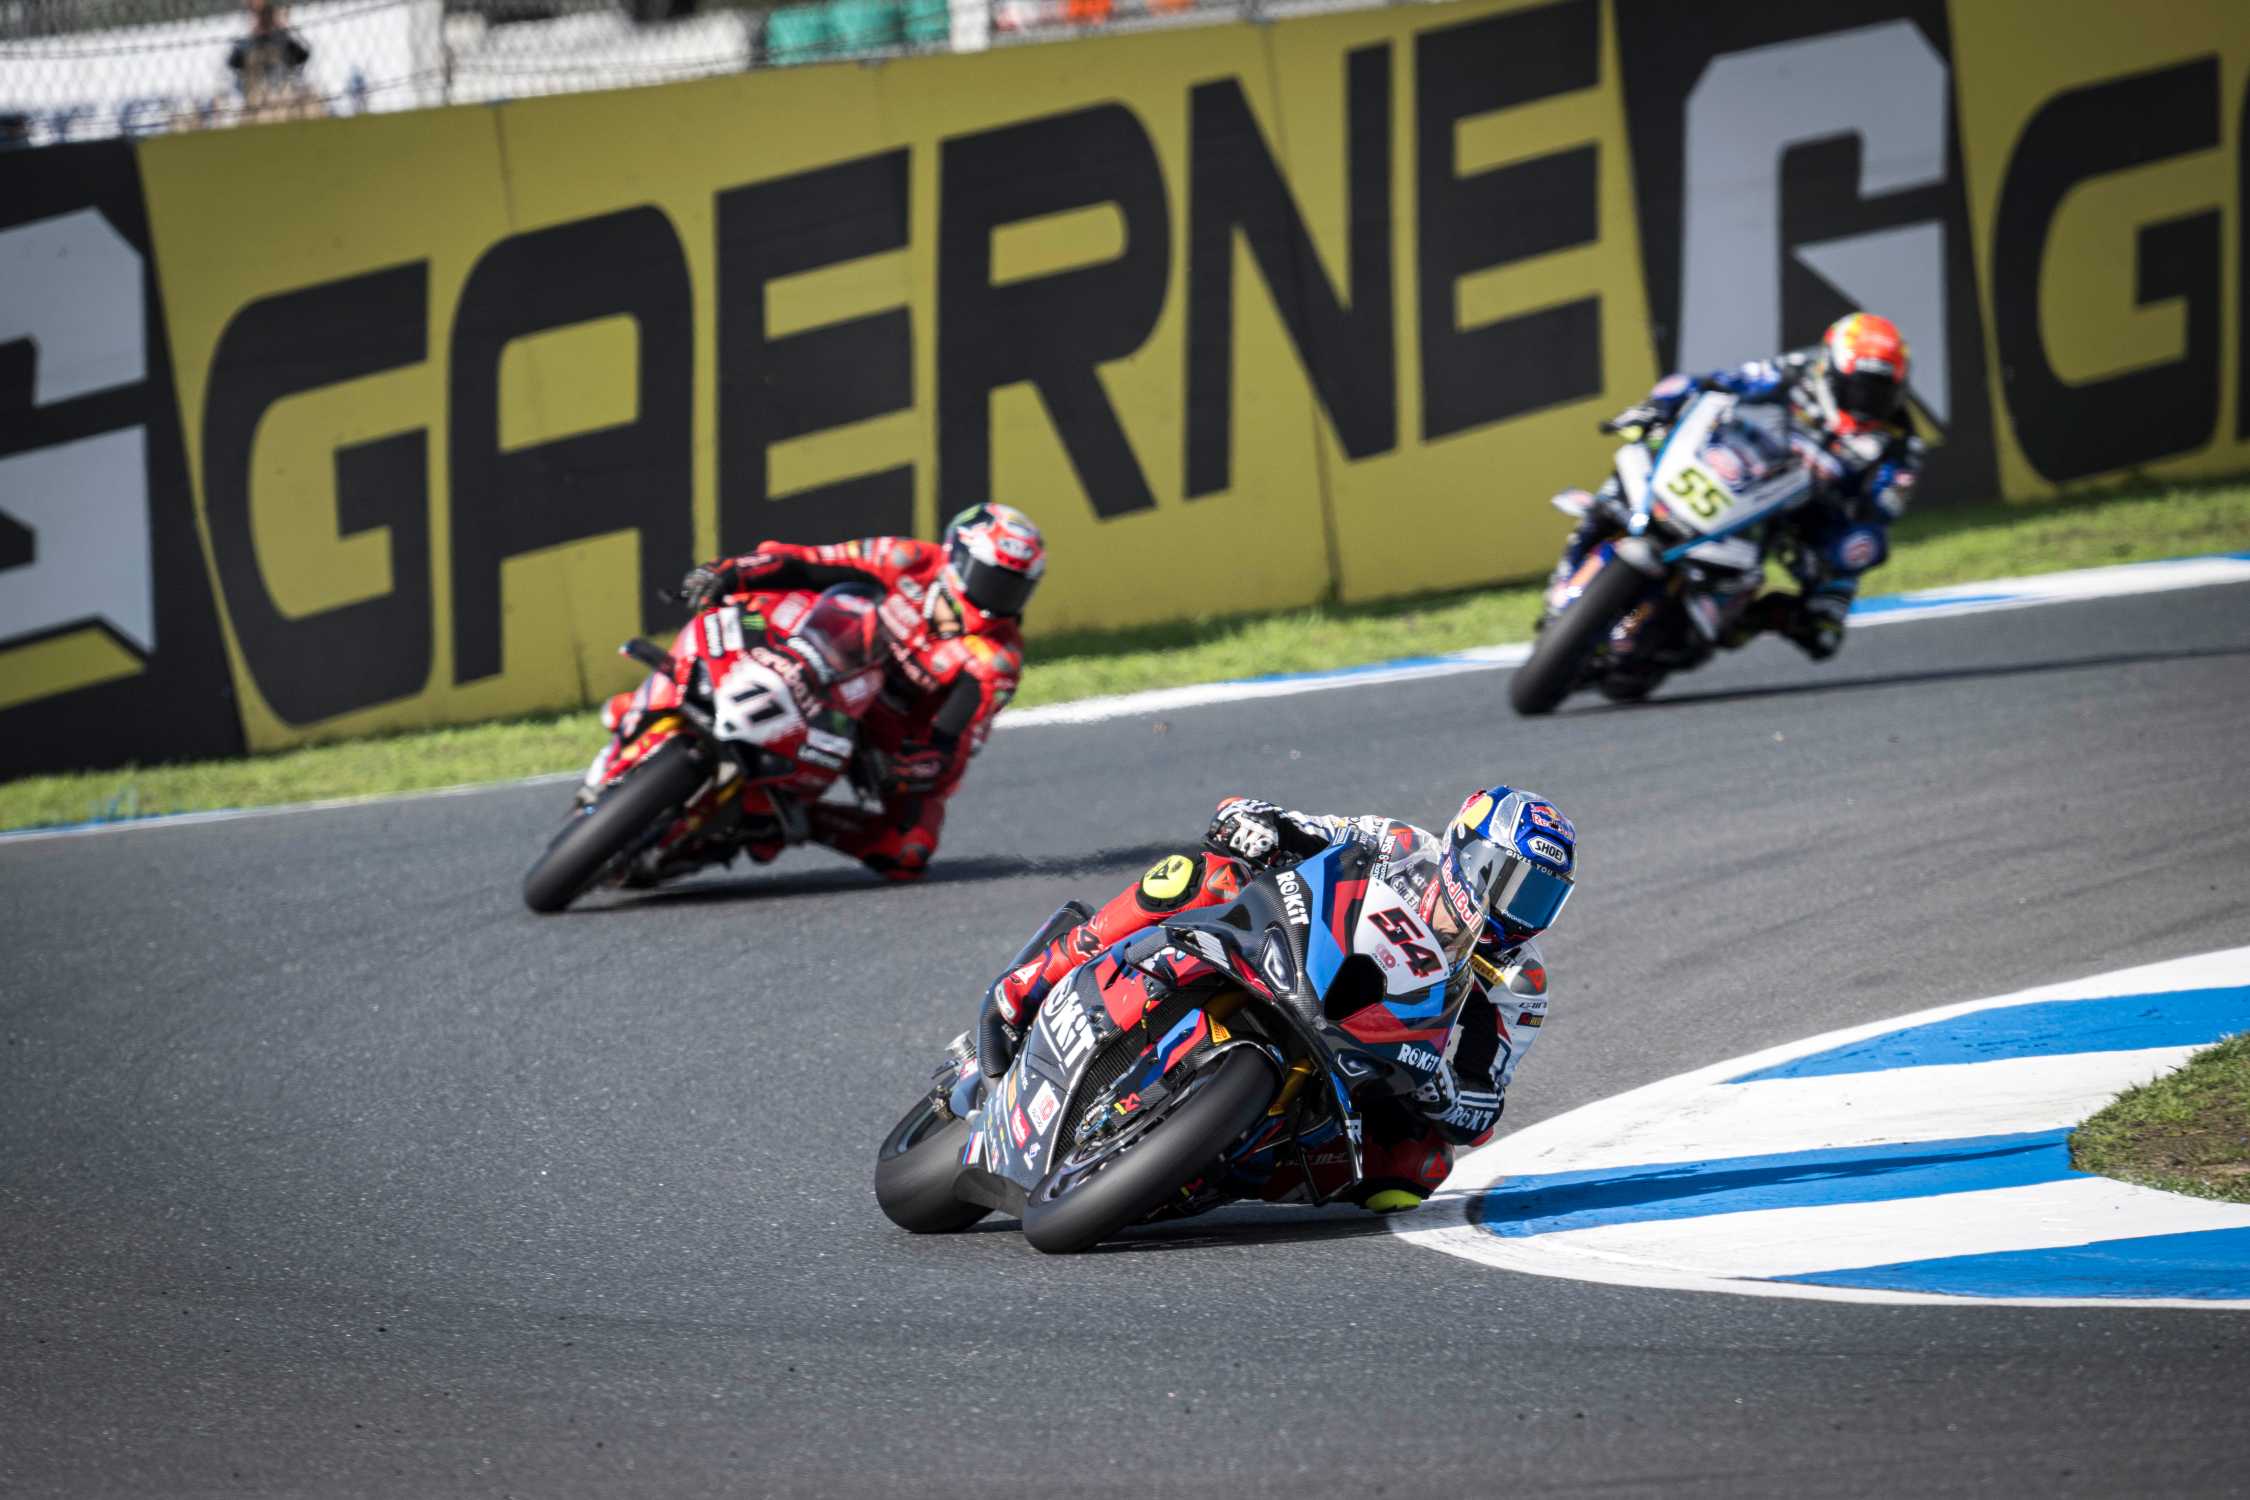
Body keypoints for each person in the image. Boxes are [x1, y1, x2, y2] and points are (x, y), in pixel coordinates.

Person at [972, 786, 1575, 1213]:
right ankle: (1039, 976)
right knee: (1201, 874)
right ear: (1465, 851)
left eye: (1540, 898)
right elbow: (1305, 828)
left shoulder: (1519, 982)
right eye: (1511, 883)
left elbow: (1483, 1107)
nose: (1521, 911)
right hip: (1293, 955)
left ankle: (1211, 1164)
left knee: (1414, 1171)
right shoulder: (1400, 845)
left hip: (1379, 1051)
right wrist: (1256, 823)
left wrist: (1443, 1090)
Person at [676, 503, 1045, 881]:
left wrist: (913, 767)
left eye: (1015, 587)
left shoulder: (996, 659)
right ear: (957, 557)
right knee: (767, 586)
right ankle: (689, 676)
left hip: (887, 734)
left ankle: (787, 818)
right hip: (824, 651)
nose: (999, 597)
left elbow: (951, 742)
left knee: (907, 851)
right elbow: (810, 562)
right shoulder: (907, 559)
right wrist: (731, 571)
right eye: (992, 578)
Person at [1554, 311, 1922, 660]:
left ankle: (1746, 619)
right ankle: (1568, 573)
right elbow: (1721, 381)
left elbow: (1882, 510)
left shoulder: (1899, 445)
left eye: (1881, 391)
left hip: (1798, 514)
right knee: (1634, 459)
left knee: (1824, 624)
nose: (1868, 401)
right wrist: (1660, 405)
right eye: (1859, 388)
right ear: (1830, 370)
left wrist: (1850, 529)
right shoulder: (1794, 371)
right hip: (1733, 470)